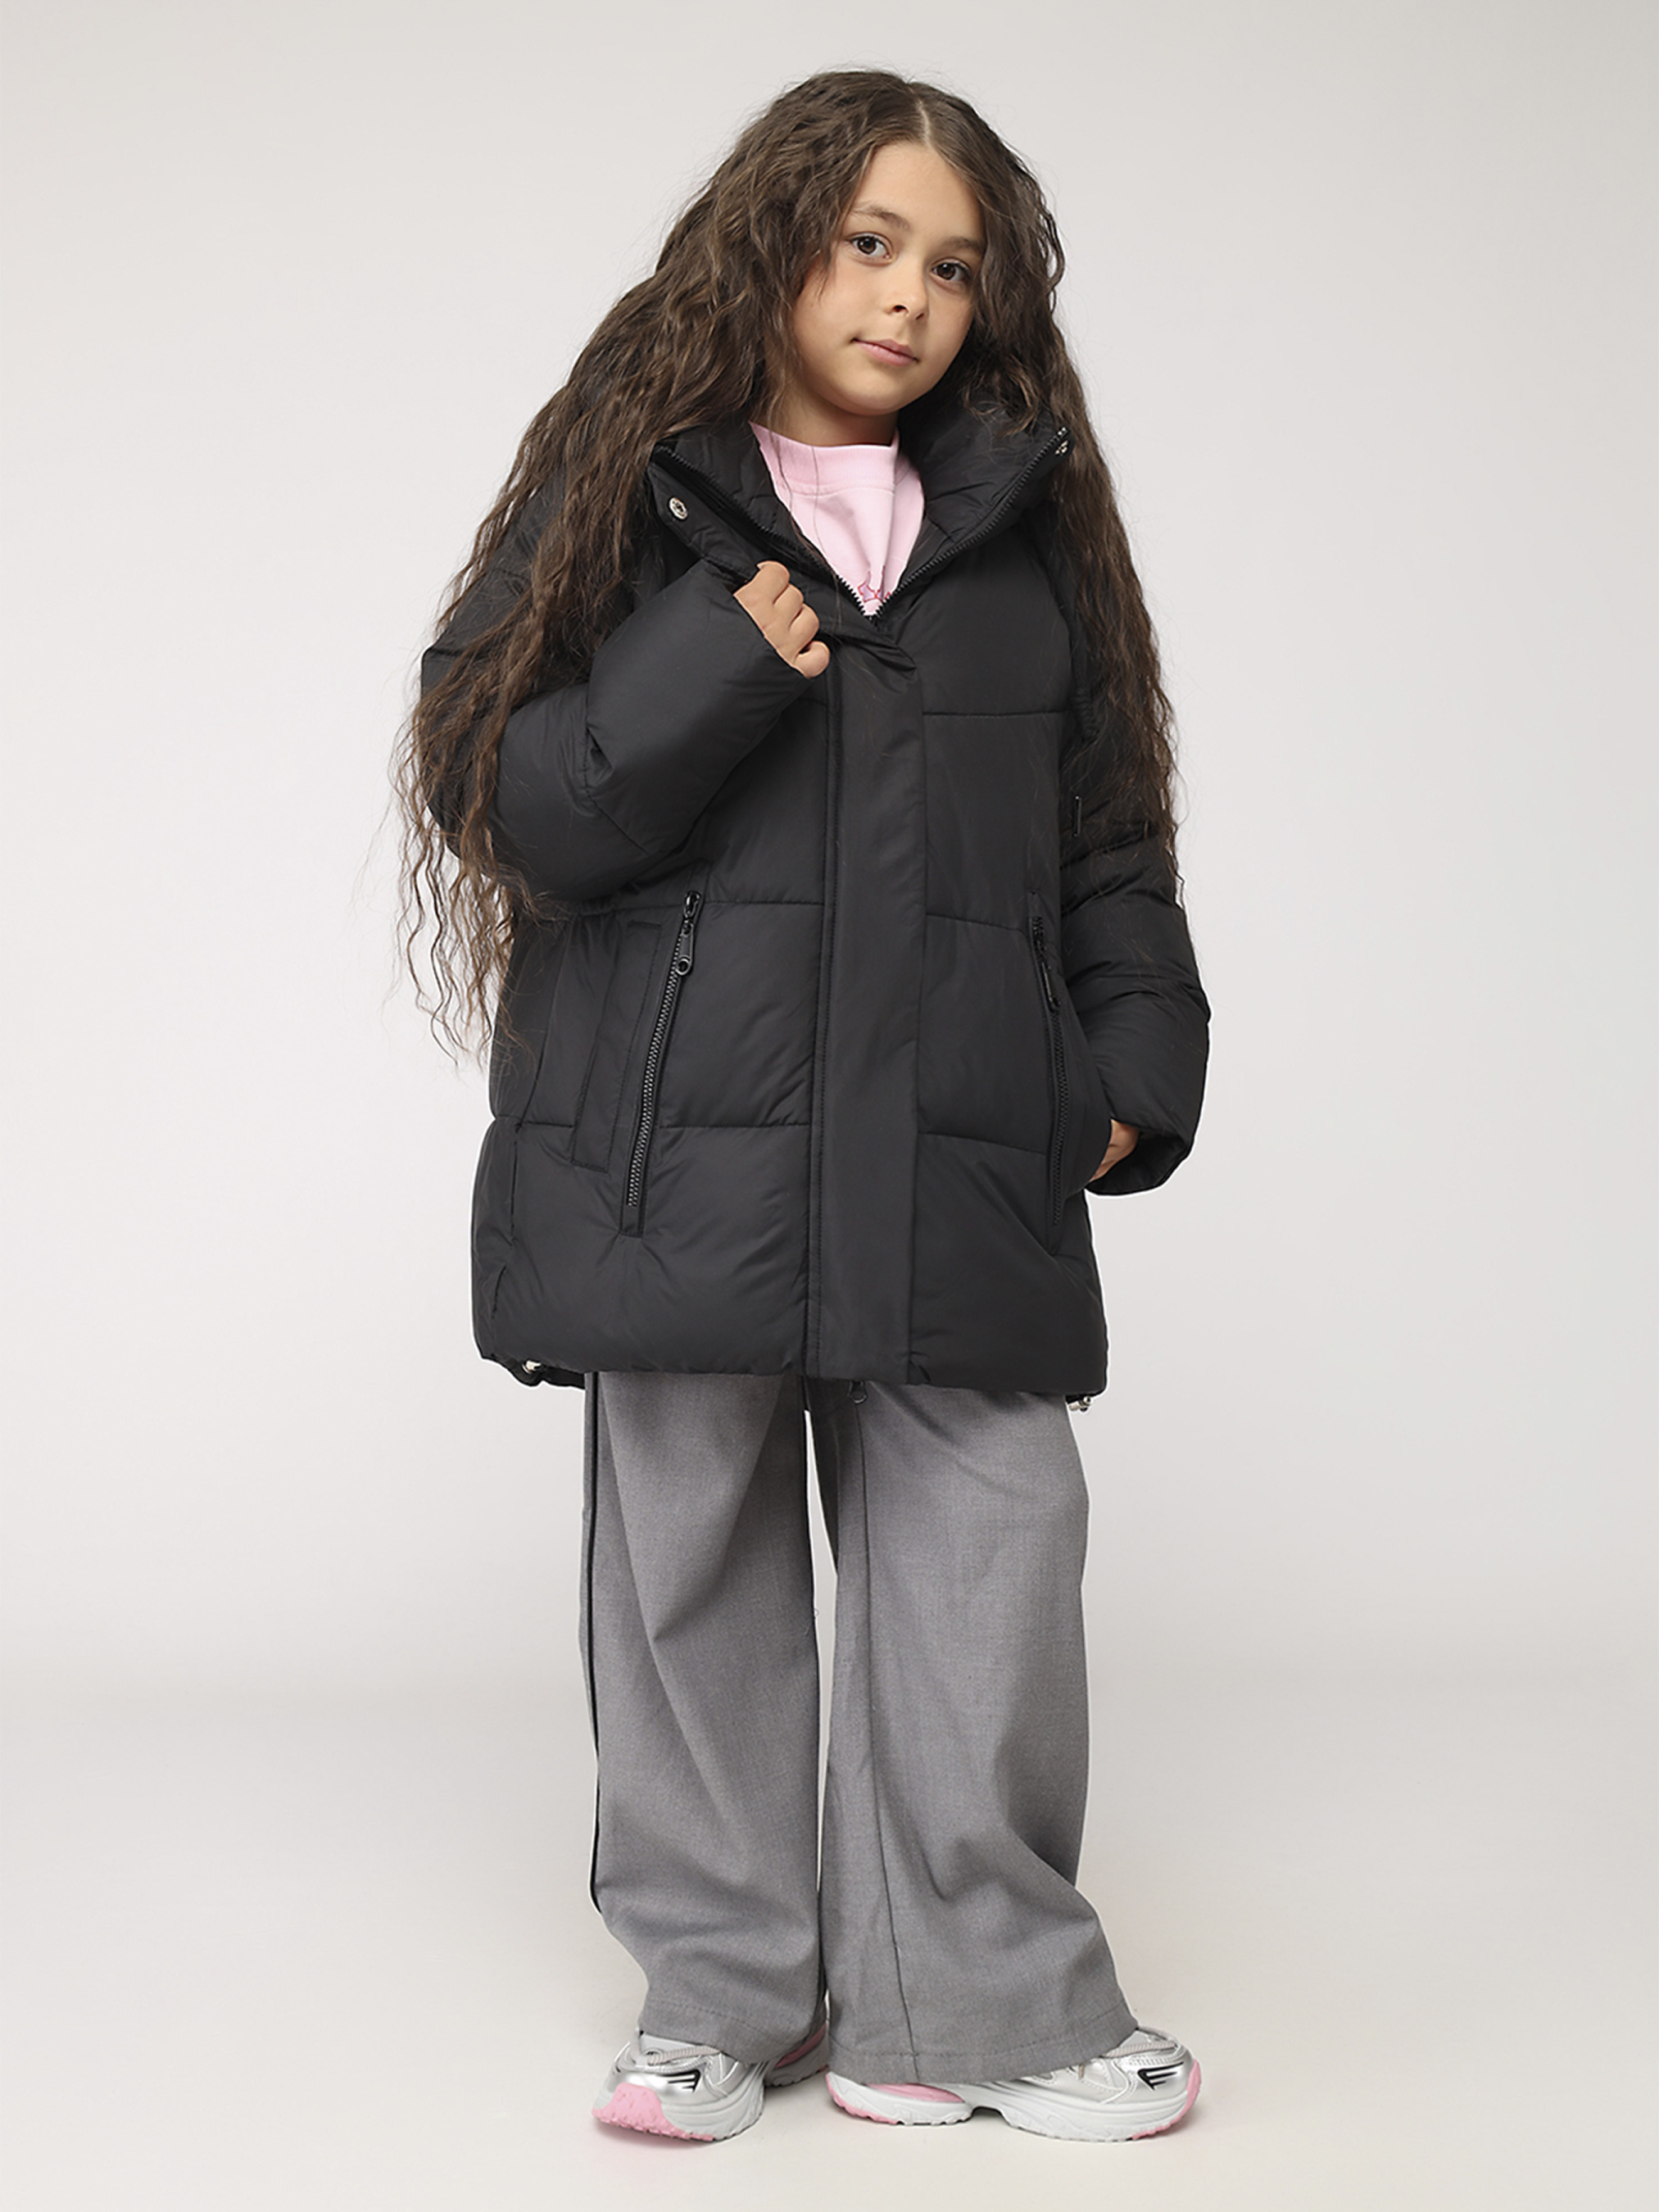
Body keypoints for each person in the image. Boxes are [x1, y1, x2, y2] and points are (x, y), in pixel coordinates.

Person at [397, 69, 1210, 2146]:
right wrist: (707, 663)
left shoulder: (1017, 524)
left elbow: (1106, 830)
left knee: (992, 1546)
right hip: (679, 1143)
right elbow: (503, 799)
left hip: (959, 1137)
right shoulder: (638, 491)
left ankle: (970, 2001)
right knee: (689, 1570)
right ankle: (719, 1990)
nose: (906, 296)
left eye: (951, 264)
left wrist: (1132, 1068)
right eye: (865, 243)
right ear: (770, 248)